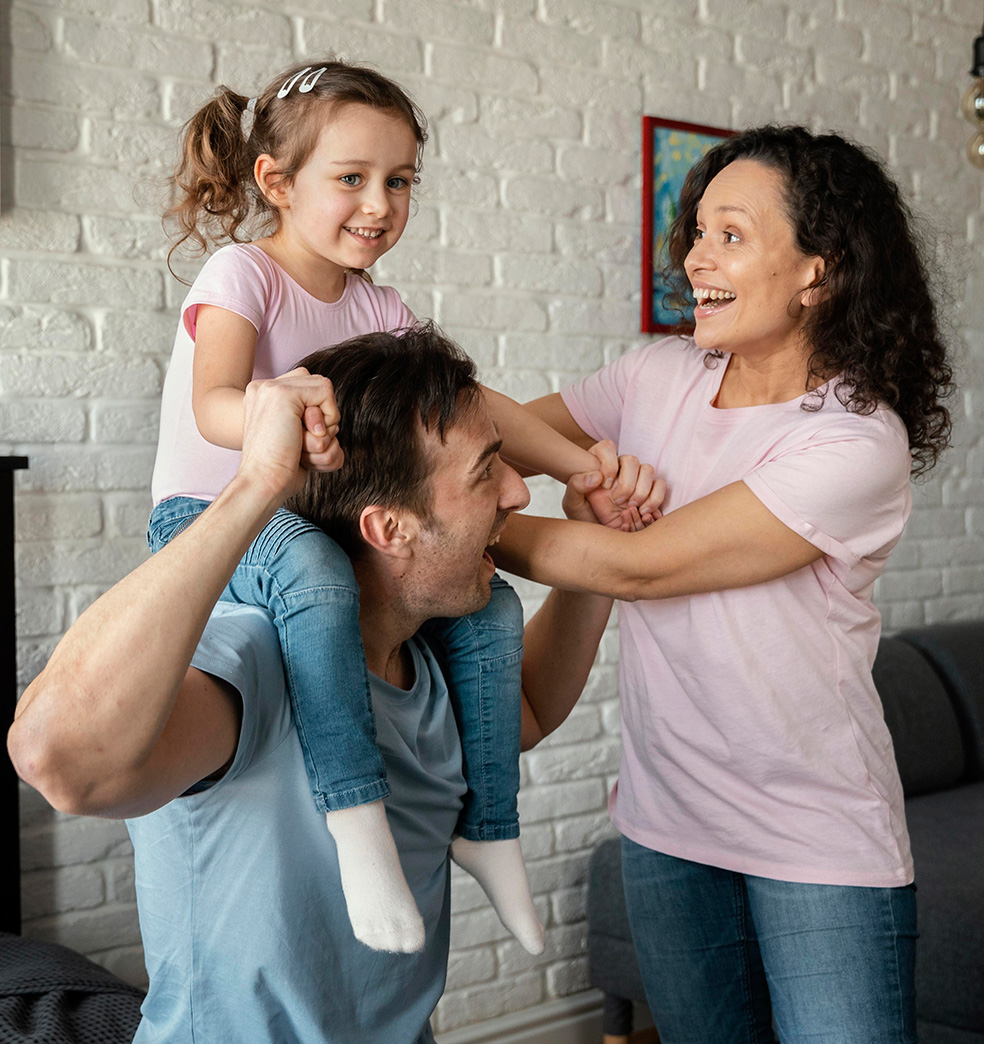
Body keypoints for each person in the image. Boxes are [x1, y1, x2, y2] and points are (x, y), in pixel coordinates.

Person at [9, 327, 649, 1044]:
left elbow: (524, 712)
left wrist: (602, 560)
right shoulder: (251, 662)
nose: (518, 491)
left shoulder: (425, 657)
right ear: (389, 527)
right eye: (486, 471)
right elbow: (55, 759)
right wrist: (255, 486)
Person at [151, 57, 640, 955]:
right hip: (211, 513)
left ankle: (487, 826)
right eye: (352, 179)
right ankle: (356, 818)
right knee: (314, 572)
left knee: (490, 605)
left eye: (400, 181)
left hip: (316, 516)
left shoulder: (381, 304)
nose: (380, 204)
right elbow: (213, 403)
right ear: (276, 182)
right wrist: (277, 408)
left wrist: (586, 463)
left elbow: (476, 405)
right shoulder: (243, 275)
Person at [494, 126, 954, 1043]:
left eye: (731, 235)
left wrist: (463, 531)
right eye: (697, 231)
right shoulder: (655, 375)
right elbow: (487, 427)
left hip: (816, 840)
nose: (696, 257)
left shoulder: (855, 438)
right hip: (667, 826)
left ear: (817, 271)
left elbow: (637, 566)